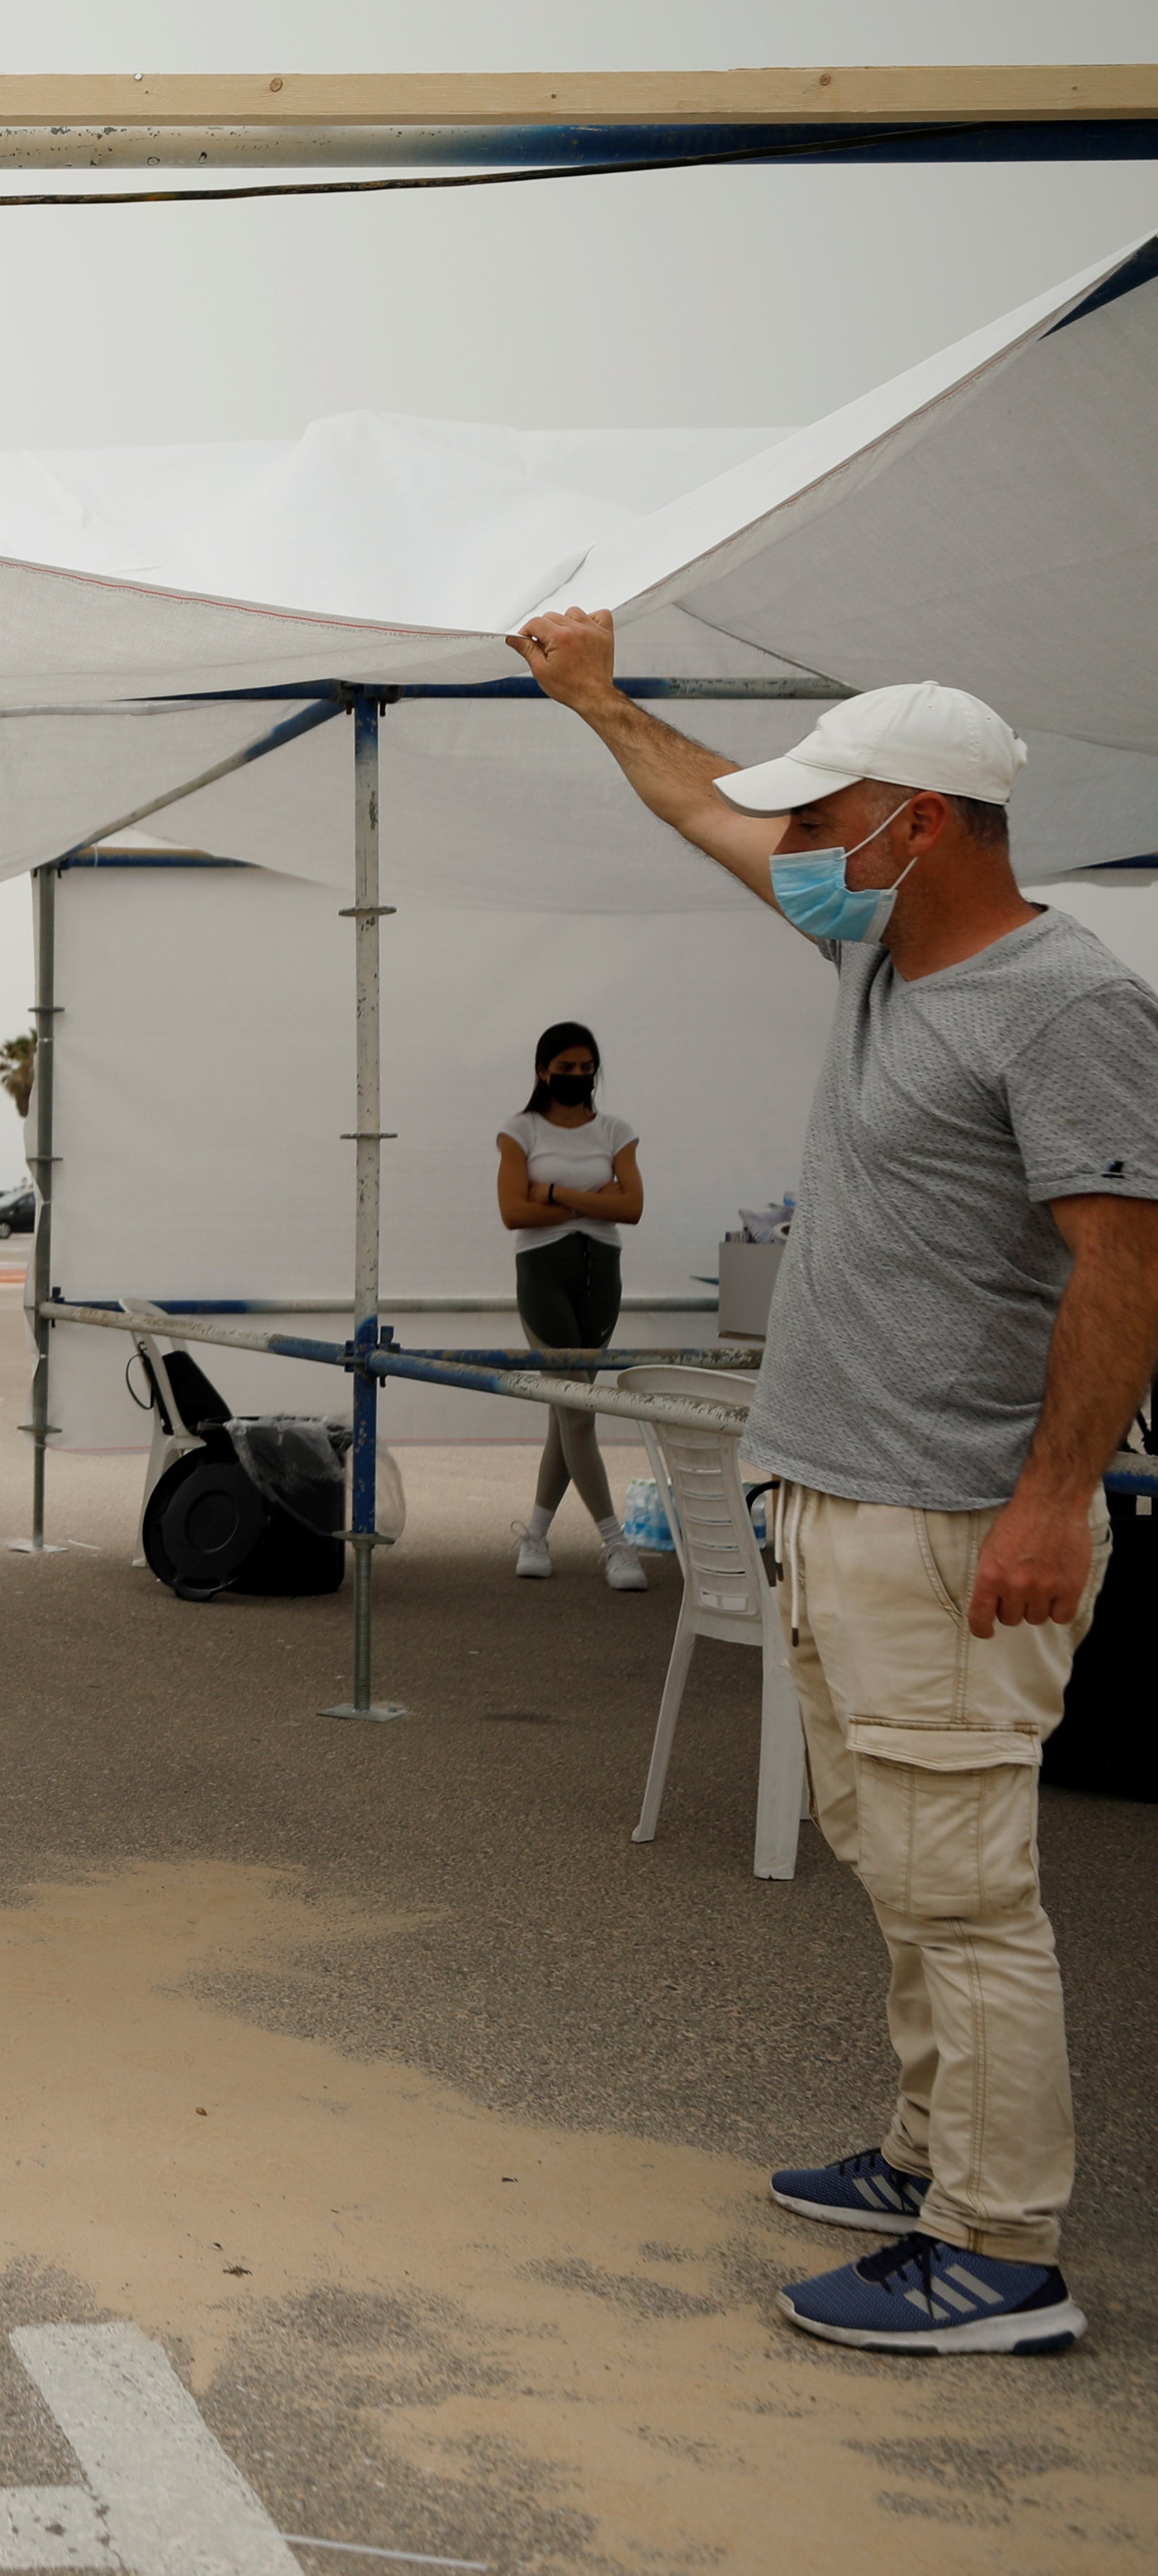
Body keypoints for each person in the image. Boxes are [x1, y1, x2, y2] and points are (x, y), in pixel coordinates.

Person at [515, 609, 1158, 2356]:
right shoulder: (882, 961)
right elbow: (702, 809)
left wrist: (1050, 1496)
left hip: (949, 1517)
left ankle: (998, 2247)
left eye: (822, 822)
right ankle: (920, 2152)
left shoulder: (1069, 1001)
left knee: (964, 1889)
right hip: (834, 1495)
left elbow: (1121, 1263)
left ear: (918, 822)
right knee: (894, 1858)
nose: (790, 849)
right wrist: (591, 699)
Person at [495, 1020, 648, 1591]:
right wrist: (593, 1202)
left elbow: (631, 1207)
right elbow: (513, 1212)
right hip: (543, 1274)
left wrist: (554, 1194)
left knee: (566, 1411)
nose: (578, 1079)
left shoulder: (616, 1130)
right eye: (567, 1070)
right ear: (543, 1071)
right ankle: (615, 1543)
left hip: (600, 1275)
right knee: (579, 1407)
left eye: (587, 1071)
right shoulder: (520, 1130)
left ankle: (535, 1532)